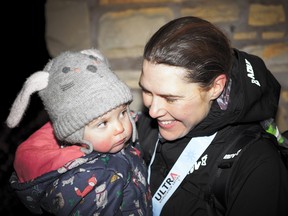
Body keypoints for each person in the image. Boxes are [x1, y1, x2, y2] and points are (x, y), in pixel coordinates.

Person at [136, 16, 288, 216]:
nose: (153, 111)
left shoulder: (256, 165)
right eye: (147, 92)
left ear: (216, 87)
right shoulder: (144, 125)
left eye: (170, 98)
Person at [6, 49, 152, 215]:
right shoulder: (89, 181)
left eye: (123, 113)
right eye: (103, 123)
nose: (120, 127)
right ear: (74, 133)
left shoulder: (108, 141)